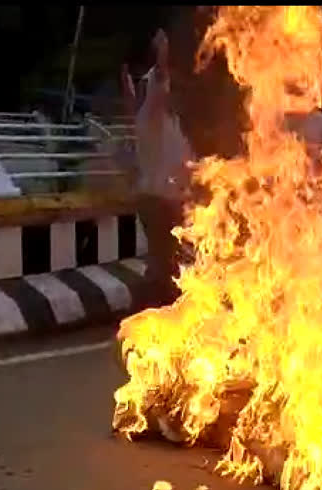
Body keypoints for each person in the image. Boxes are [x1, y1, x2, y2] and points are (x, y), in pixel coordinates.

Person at [121, 28, 195, 307]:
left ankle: (153, 311)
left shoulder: (160, 120)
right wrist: (163, 52)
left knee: (164, 261)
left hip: (164, 199)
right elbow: (160, 79)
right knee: (165, 265)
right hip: (160, 201)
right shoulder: (152, 116)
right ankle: (152, 314)